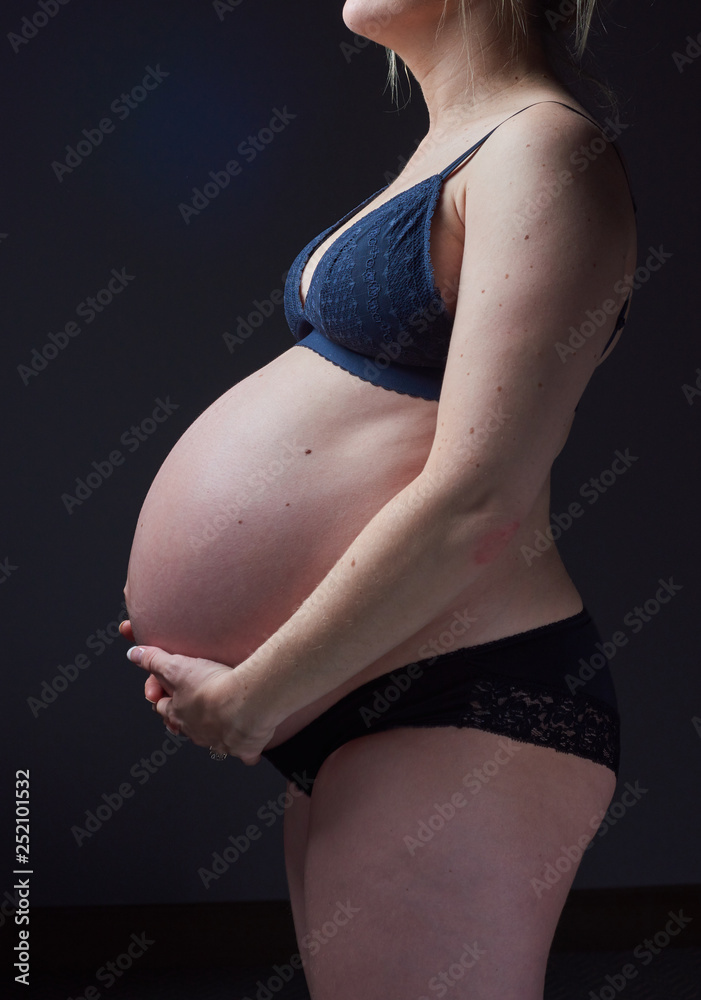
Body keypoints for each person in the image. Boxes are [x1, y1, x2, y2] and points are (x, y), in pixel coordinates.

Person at [120, 1, 637, 996]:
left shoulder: (544, 153)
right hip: (357, 685)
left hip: (461, 695)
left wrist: (256, 691)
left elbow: (478, 497)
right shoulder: (447, 151)